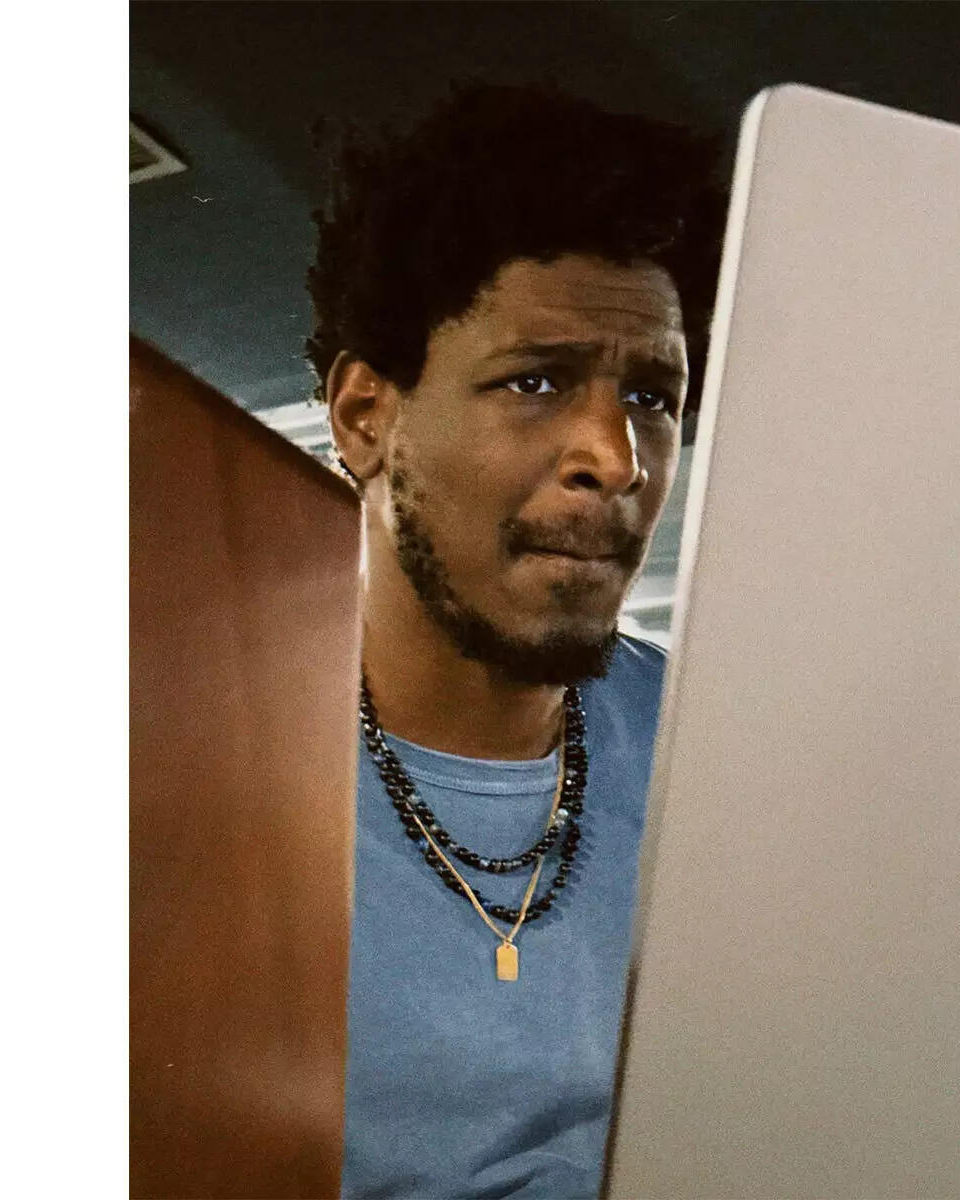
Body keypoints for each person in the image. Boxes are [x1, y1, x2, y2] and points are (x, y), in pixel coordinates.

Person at [306, 82, 726, 1198]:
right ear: (364, 417)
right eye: (534, 381)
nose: (614, 459)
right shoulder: (182, 769)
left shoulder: (726, 759)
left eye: (652, 397)